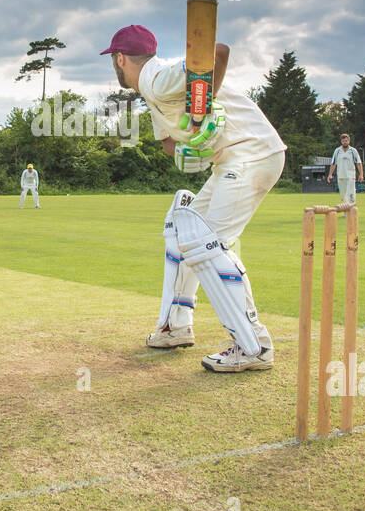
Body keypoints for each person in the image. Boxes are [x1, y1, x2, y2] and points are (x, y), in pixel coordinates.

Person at [101, 24, 286, 373]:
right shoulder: (153, 92)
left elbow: (219, 52)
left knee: (207, 244)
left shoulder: (159, 79)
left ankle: (255, 345)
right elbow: (169, 143)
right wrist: (186, 149)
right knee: (181, 231)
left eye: (114, 60)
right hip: (233, 159)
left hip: (251, 153)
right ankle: (177, 325)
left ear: (120, 58)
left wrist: (205, 109)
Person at [327, 133, 363, 204]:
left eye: (346, 141)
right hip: (341, 175)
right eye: (343, 141)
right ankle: (345, 208)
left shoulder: (353, 151)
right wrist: (330, 174)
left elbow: (358, 163)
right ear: (341, 141)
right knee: (343, 194)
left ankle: (352, 207)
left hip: (351, 175)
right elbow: (333, 163)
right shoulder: (337, 151)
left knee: (351, 192)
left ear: (349, 141)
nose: (345, 142)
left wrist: (361, 174)